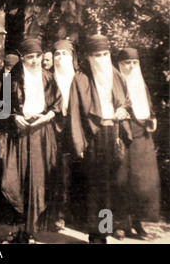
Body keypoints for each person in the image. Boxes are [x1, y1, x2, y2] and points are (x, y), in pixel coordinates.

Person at [68, 34, 132, 243]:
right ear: (88, 56)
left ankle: (110, 227)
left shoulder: (116, 75)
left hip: (116, 134)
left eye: (105, 54)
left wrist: (123, 109)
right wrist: (79, 142)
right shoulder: (80, 78)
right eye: (96, 55)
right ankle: (97, 234)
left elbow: (127, 101)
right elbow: (75, 114)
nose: (101, 58)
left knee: (114, 186)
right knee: (96, 187)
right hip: (93, 137)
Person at [1, 38, 62, 243]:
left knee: (38, 181)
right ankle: (16, 228)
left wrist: (45, 118)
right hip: (19, 135)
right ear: (22, 58)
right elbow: (3, 109)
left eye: (37, 56)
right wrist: (15, 117)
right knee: (16, 181)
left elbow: (57, 106)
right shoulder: (12, 79)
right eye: (30, 57)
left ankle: (30, 230)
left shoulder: (48, 77)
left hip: (42, 135)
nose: (35, 61)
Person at [117, 47, 161, 237]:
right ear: (120, 64)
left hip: (142, 138)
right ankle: (117, 224)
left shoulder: (141, 83)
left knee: (142, 183)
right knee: (120, 182)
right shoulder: (115, 82)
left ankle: (137, 223)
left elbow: (147, 107)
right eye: (128, 62)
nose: (132, 66)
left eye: (135, 63)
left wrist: (152, 119)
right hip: (123, 136)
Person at [51, 39, 79, 229]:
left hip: (77, 131)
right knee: (58, 172)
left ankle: (76, 214)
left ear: (72, 57)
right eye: (57, 54)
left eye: (65, 54)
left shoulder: (80, 78)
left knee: (77, 172)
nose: (60, 58)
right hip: (54, 130)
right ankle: (58, 214)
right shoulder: (48, 78)